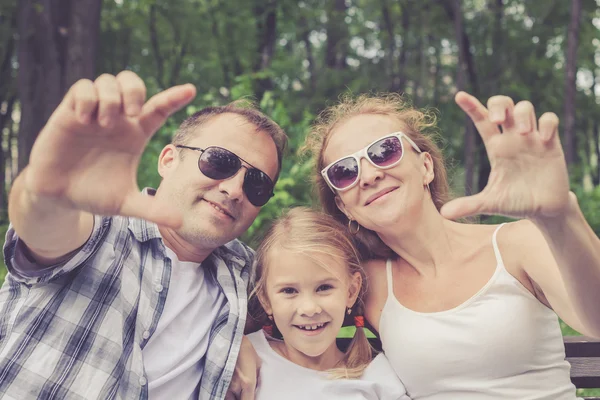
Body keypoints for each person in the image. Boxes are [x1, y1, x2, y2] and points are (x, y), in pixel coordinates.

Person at [0, 71, 287, 400]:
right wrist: (48, 193)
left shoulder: (248, 272)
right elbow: (44, 227)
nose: (234, 189)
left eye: (257, 184)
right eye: (219, 161)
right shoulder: (101, 225)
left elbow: (332, 289)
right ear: (168, 160)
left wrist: (247, 339)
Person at [301, 91, 600, 399]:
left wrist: (562, 216)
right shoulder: (364, 284)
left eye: (384, 151)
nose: (369, 175)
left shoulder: (517, 244)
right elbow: (281, 315)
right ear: (345, 207)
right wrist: (248, 352)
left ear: (426, 167)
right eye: (345, 171)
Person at [247, 207, 410, 400]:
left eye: (324, 288)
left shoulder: (377, 378)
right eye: (289, 291)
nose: (309, 309)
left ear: (351, 291)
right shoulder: (245, 361)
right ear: (265, 299)